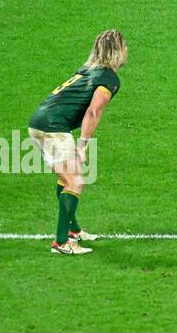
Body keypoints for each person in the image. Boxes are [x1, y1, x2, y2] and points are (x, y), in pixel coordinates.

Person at [27, 31, 129, 255]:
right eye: (124, 46)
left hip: (39, 123)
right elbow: (93, 112)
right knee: (77, 180)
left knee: (66, 179)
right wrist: (82, 145)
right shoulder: (109, 78)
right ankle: (62, 243)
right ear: (117, 51)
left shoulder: (87, 71)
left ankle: (73, 231)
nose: (127, 51)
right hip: (52, 127)